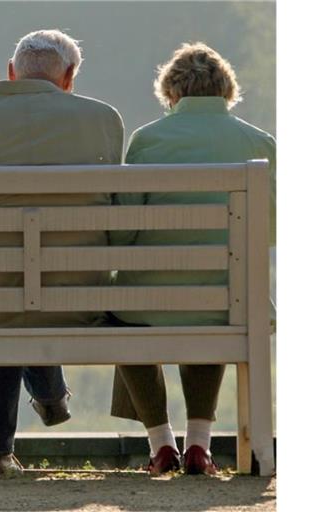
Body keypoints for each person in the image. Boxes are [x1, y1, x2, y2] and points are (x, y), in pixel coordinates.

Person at [0, 29, 124, 475]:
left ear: (10, 73)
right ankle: (49, 391)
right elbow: (115, 208)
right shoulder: (103, 119)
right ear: (69, 76)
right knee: (40, 275)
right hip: (77, 298)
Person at [109, 42, 276, 476]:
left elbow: (123, 232)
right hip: (228, 301)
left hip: (149, 304)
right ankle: (199, 446)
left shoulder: (147, 140)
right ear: (226, 90)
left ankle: (161, 444)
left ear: (172, 93)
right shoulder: (260, 144)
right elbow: (270, 233)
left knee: (119, 313)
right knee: (216, 300)